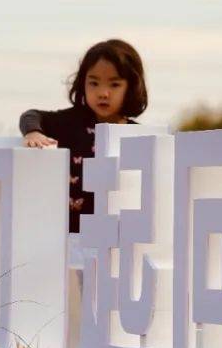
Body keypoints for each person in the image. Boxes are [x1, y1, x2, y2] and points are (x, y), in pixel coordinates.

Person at [19, 39, 148, 233]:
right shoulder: (69, 122)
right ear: (83, 83)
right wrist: (33, 132)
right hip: (67, 234)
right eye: (94, 83)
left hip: (117, 237)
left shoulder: (138, 136)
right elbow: (32, 115)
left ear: (130, 87)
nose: (103, 93)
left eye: (114, 85)